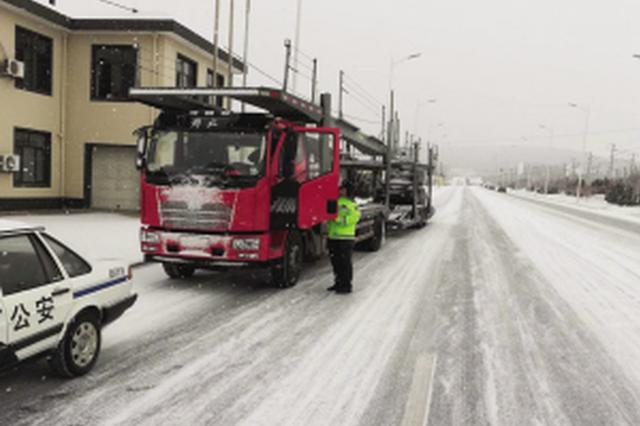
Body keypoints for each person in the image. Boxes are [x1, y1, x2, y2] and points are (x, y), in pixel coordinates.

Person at [327, 182, 361, 294]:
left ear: (347, 190)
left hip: (345, 238)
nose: (340, 190)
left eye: (342, 189)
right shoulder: (335, 200)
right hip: (333, 236)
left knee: (345, 263)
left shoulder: (352, 204)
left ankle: (346, 285)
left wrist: (337, 219)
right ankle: (338, 282)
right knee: (336, 262)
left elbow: (354, 218)